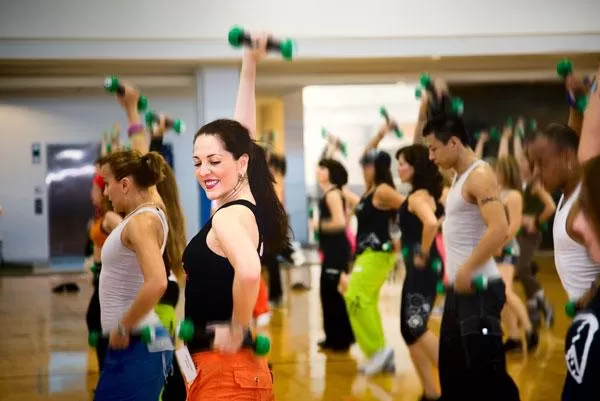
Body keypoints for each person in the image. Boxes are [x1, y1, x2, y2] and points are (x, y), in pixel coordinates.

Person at [183, 34, 287, 399]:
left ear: (240, 164)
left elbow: (247, 272)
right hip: (226, 370)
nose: (204, 171)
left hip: (225, 373)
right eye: (197, 163)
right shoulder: (237, 199)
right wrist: (250, 65)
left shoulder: (228, 216)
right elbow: (244, 136)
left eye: (214, 162)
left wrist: (238, 326)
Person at [423, 114, 520, 400]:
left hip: (478, 290)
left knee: (488, 378)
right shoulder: (460, 177)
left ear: (453, 143)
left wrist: (467, 268)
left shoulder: (479, 176)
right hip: (460, 292)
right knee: (453, 374)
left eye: (433, 148)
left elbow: (500, 228)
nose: (430, 156)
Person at [94, 149, 174, 401]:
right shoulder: (142, 216)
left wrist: (124, 325)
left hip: (138, 343)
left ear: (125, 184)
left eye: (107, 184)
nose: (105, 193)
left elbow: (158, 281)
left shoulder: (142, 222)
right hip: (132, 343)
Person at [341, 121, 406, 376]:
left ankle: (378, 351)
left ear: (376, 168)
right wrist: (380, 132)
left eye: (367, 165)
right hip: (367, 256)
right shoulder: (371, 190)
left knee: (355, 297)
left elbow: (410, 207)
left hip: (379, 255)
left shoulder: (382, 190)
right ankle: (380, 353)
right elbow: (365, 154)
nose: (362, 167)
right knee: (363, 300)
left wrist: (399, 241)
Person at [526, 123, 600, 303]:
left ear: (567, 157)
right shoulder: (567, 196)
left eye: (541, 164)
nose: (535, 174)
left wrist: (590, 301)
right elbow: (572, 129)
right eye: (532, 165)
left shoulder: (584, 205)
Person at [395, 144, 444, 401]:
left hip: (422, 268)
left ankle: (454, 379)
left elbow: (432, 223)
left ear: (416, 167)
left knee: (416, 326)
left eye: (403, 163)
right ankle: (431, 393)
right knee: (408, 329)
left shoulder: (417, 198)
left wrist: (423, 253)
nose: (399, 167)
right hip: (419, 269)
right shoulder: (426, 193)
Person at [493, 155, 538, 352]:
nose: (494, 173)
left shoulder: (513, 195)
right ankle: (513, 336)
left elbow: (515, 225)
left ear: (505, 172)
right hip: (494, 249)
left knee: (505, 292)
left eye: (497, 170)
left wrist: (500, 244)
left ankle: (529, 330)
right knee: (500, 296)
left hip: (507, 249)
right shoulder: (496, 194)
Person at [314, 158, 355, 351]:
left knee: (332, 293)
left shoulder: (332, 194)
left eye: (323, 168)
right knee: (331, 293)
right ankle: (336, 337)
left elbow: (339, 223)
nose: (318, 170)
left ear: (331, 172)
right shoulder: (335, 193)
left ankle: (338, 339)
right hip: (335, 250)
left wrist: (318, 225)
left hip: (336, 252)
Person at [86, 168, 121, 373]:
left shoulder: (110, 216)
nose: (93, 193)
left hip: (107, 276)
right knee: (97, 325)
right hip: (100, 274)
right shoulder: (102, 215)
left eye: (95, 189)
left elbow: (130, 230)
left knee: (101, 327)